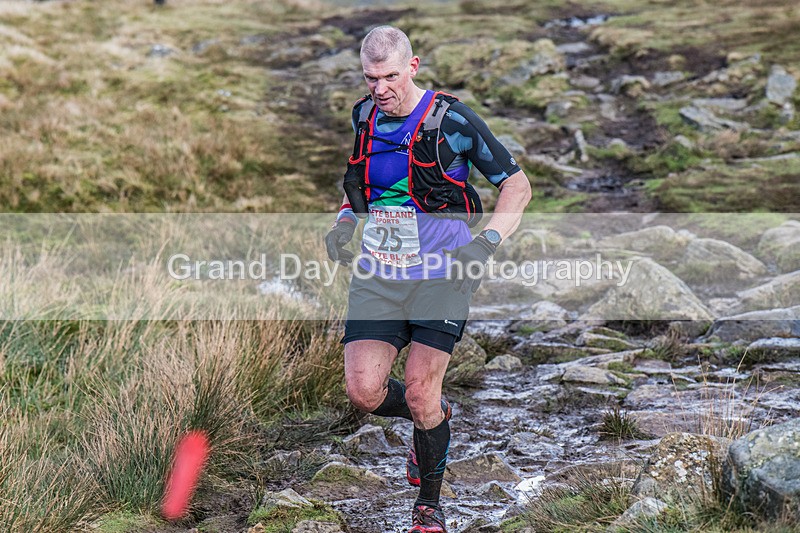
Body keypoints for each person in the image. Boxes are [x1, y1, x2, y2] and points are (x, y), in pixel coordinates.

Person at [325, 26, 531, 533]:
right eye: (371, 78)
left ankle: (429, 508)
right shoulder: (363, 116)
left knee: (419, 389)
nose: (380, 88)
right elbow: (364, 187)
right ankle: (435, 417)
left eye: (390, 76)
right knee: (364, 393)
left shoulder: (452, 119)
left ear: (412, 67)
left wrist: (486, 244)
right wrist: (345, 223)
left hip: (443, 273)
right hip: (378, 273)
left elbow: (517, 185)